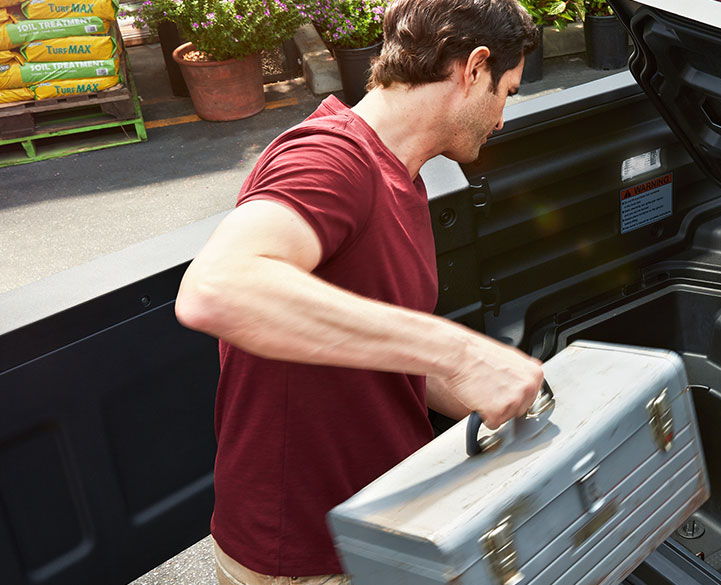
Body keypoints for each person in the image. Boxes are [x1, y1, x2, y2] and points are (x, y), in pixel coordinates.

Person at [173, 0, 543, 582]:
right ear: (473, 68)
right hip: (304, 555)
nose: (503, 116)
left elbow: (389, 358)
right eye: (509, 91)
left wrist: (502, 392)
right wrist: (460, 350)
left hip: (382, 524)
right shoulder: (331, 159)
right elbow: (216, 289)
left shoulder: (405, 174)